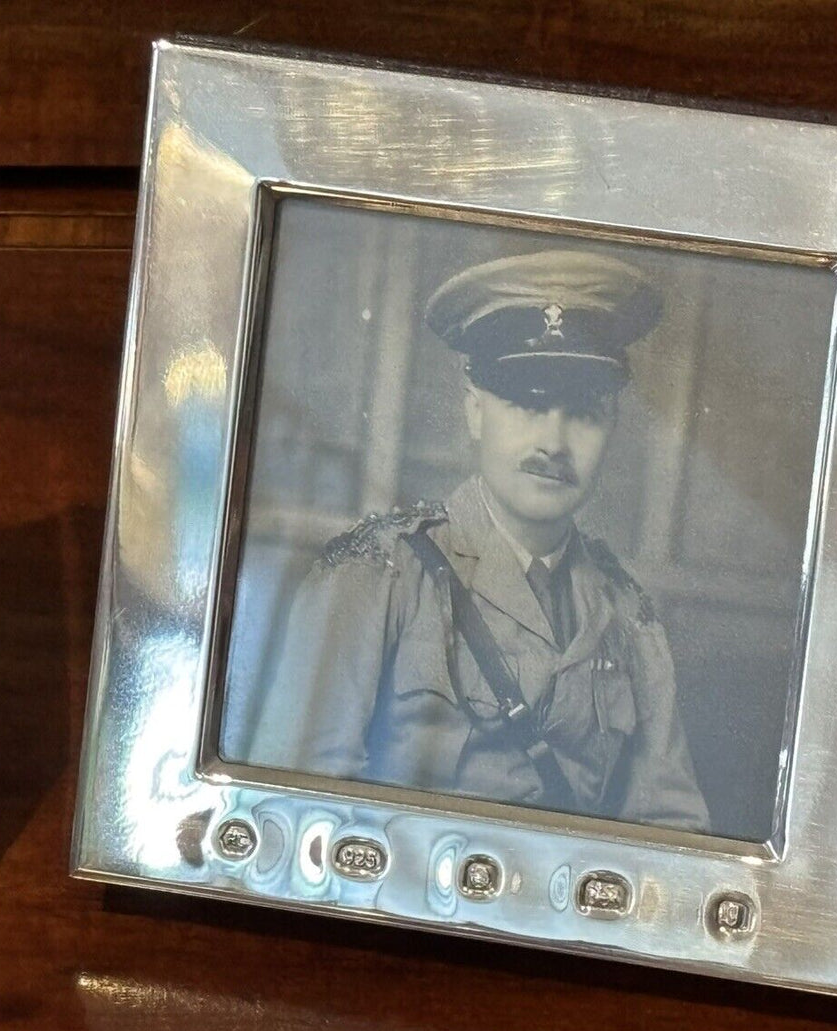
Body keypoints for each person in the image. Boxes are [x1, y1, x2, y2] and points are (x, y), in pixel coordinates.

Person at [246, 249, 709, 831]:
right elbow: (293, 815)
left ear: (612, 427)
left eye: (584, 413)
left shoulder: (627, 614)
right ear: (475, 411)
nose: (553, 442)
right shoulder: (377, 575)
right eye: (527, 403)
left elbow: (671, 829)